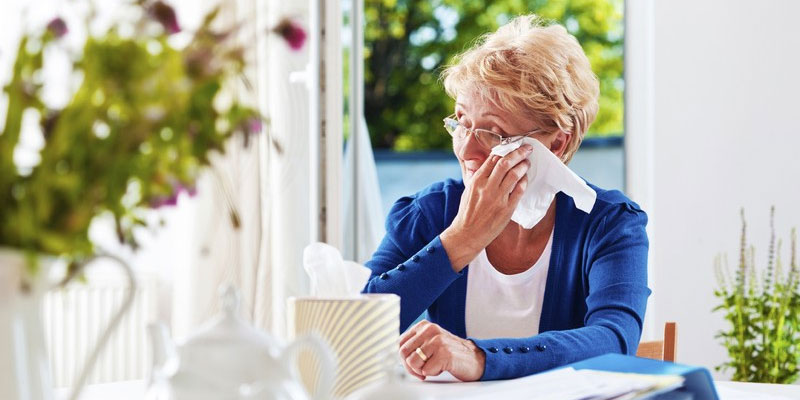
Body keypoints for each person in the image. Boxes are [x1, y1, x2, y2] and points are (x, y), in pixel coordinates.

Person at [362, 14, 650, 381]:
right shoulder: (431, 211)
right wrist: (461, 240)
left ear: (556, 144)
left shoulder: (609, 223)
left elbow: (614, 340)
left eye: (492, 132)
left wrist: (479, 357)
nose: (466, 149)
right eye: (462, 122)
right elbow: (357, 328)